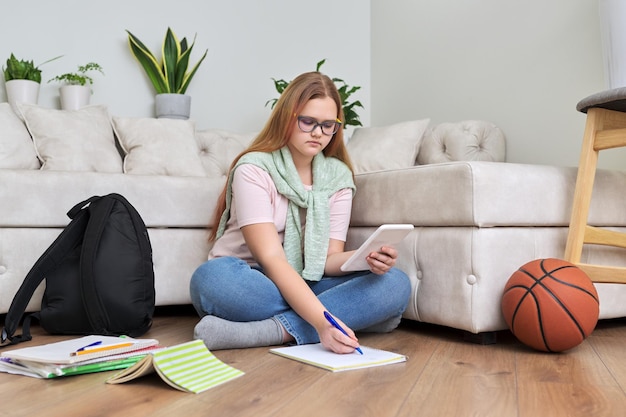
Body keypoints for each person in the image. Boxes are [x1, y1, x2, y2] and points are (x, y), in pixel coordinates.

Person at [190, 71, 411, 354]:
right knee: (212, 280)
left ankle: (270, 331)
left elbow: (328, 260)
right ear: (287, 117)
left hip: (309, 279)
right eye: (308, 122)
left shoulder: (338, 177)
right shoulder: (254, 169)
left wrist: (366, 260)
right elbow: (271, 259)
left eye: (328, 125)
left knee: (394, 284)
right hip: (252, 278)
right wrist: (322, 320)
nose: (318, 133)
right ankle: (346, 316)